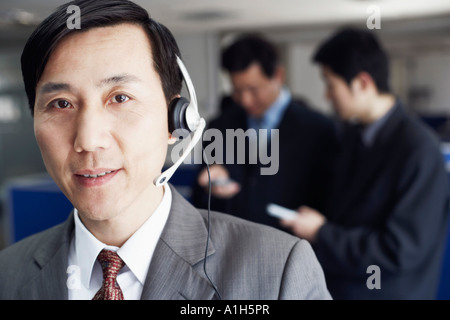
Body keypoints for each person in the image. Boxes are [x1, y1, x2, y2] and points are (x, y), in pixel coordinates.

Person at [0, 0, 332, 300]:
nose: (88, 140)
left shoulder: (278, 274)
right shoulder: (8, 275)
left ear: (176, 121)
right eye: (61, 104)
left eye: (119, 98)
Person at [281, 28, 450, 299]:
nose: (327, 96)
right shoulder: (352, 137)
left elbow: (398, 250)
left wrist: (322, 233)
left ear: (362, 83)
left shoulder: (418, 150)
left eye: (330, 84)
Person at [192, 34, 338, 233]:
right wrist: (211, 188)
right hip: (233, 244)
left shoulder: (319, 129)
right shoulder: (220, 126)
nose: (245, 100)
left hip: (291, 246)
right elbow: (201, 200)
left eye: (253, 89)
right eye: (237, 90)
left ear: (278, 75)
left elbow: (329, 202)